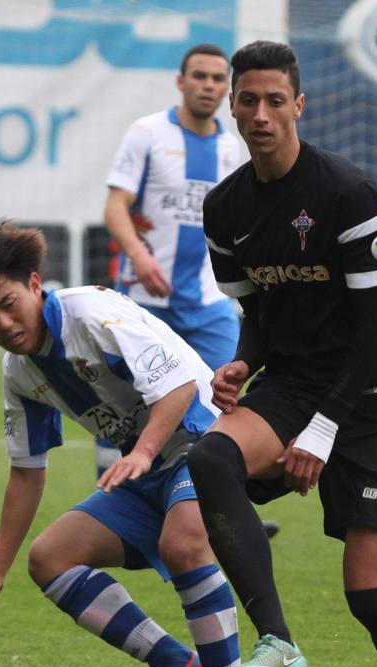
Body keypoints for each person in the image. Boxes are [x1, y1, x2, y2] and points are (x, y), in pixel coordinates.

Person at [188, 40, 377, 667]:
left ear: (299, 105)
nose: (260, 114)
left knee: (368, 593)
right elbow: (261, 317)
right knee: (209, 460)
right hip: (294, 385)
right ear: (231, 106)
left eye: (275, 100)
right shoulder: (225, 209)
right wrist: (242, 363)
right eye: (248, 100)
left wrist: (325, 431)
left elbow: (376, 328)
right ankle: (274, 639)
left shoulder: (346, 193)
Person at [0, 211, 255, 667]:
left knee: (183, 544)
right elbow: (25, 472)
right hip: (146, 467)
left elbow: (179, 384)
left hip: (206, 444)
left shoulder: (94, 315)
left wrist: (143, 452)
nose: (2, 324)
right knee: (49, 559)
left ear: (35, 285)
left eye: (8, 304)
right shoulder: (20, 373)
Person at [103, 43, 280, 537]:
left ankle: (228, 510)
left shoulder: (231, 148)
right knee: (127, 402)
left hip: (209, 303)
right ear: (181, 82)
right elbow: (115, 206)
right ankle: (115, 501)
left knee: (227, 401)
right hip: (145, 300)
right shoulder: (147, 134)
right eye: (198, 76)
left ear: (227, 89)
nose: (207, 84)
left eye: (217, 78)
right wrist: (139, 255)